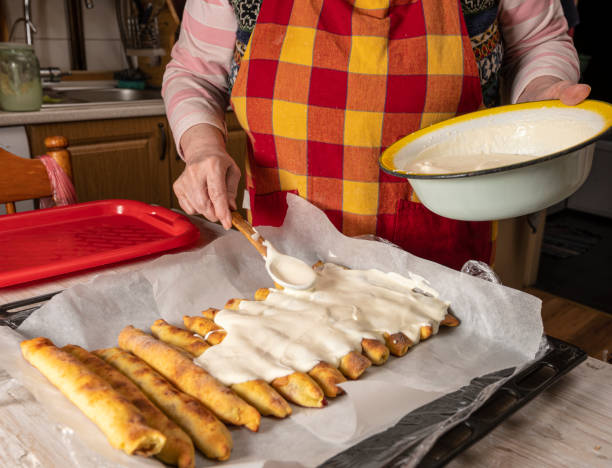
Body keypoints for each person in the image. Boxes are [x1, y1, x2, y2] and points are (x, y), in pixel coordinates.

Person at [163, 0, 590, 270]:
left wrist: (542, 94)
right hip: (288, 253)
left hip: (438, 256)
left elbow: (539, 42)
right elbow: (195, 72)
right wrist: (202, 147)